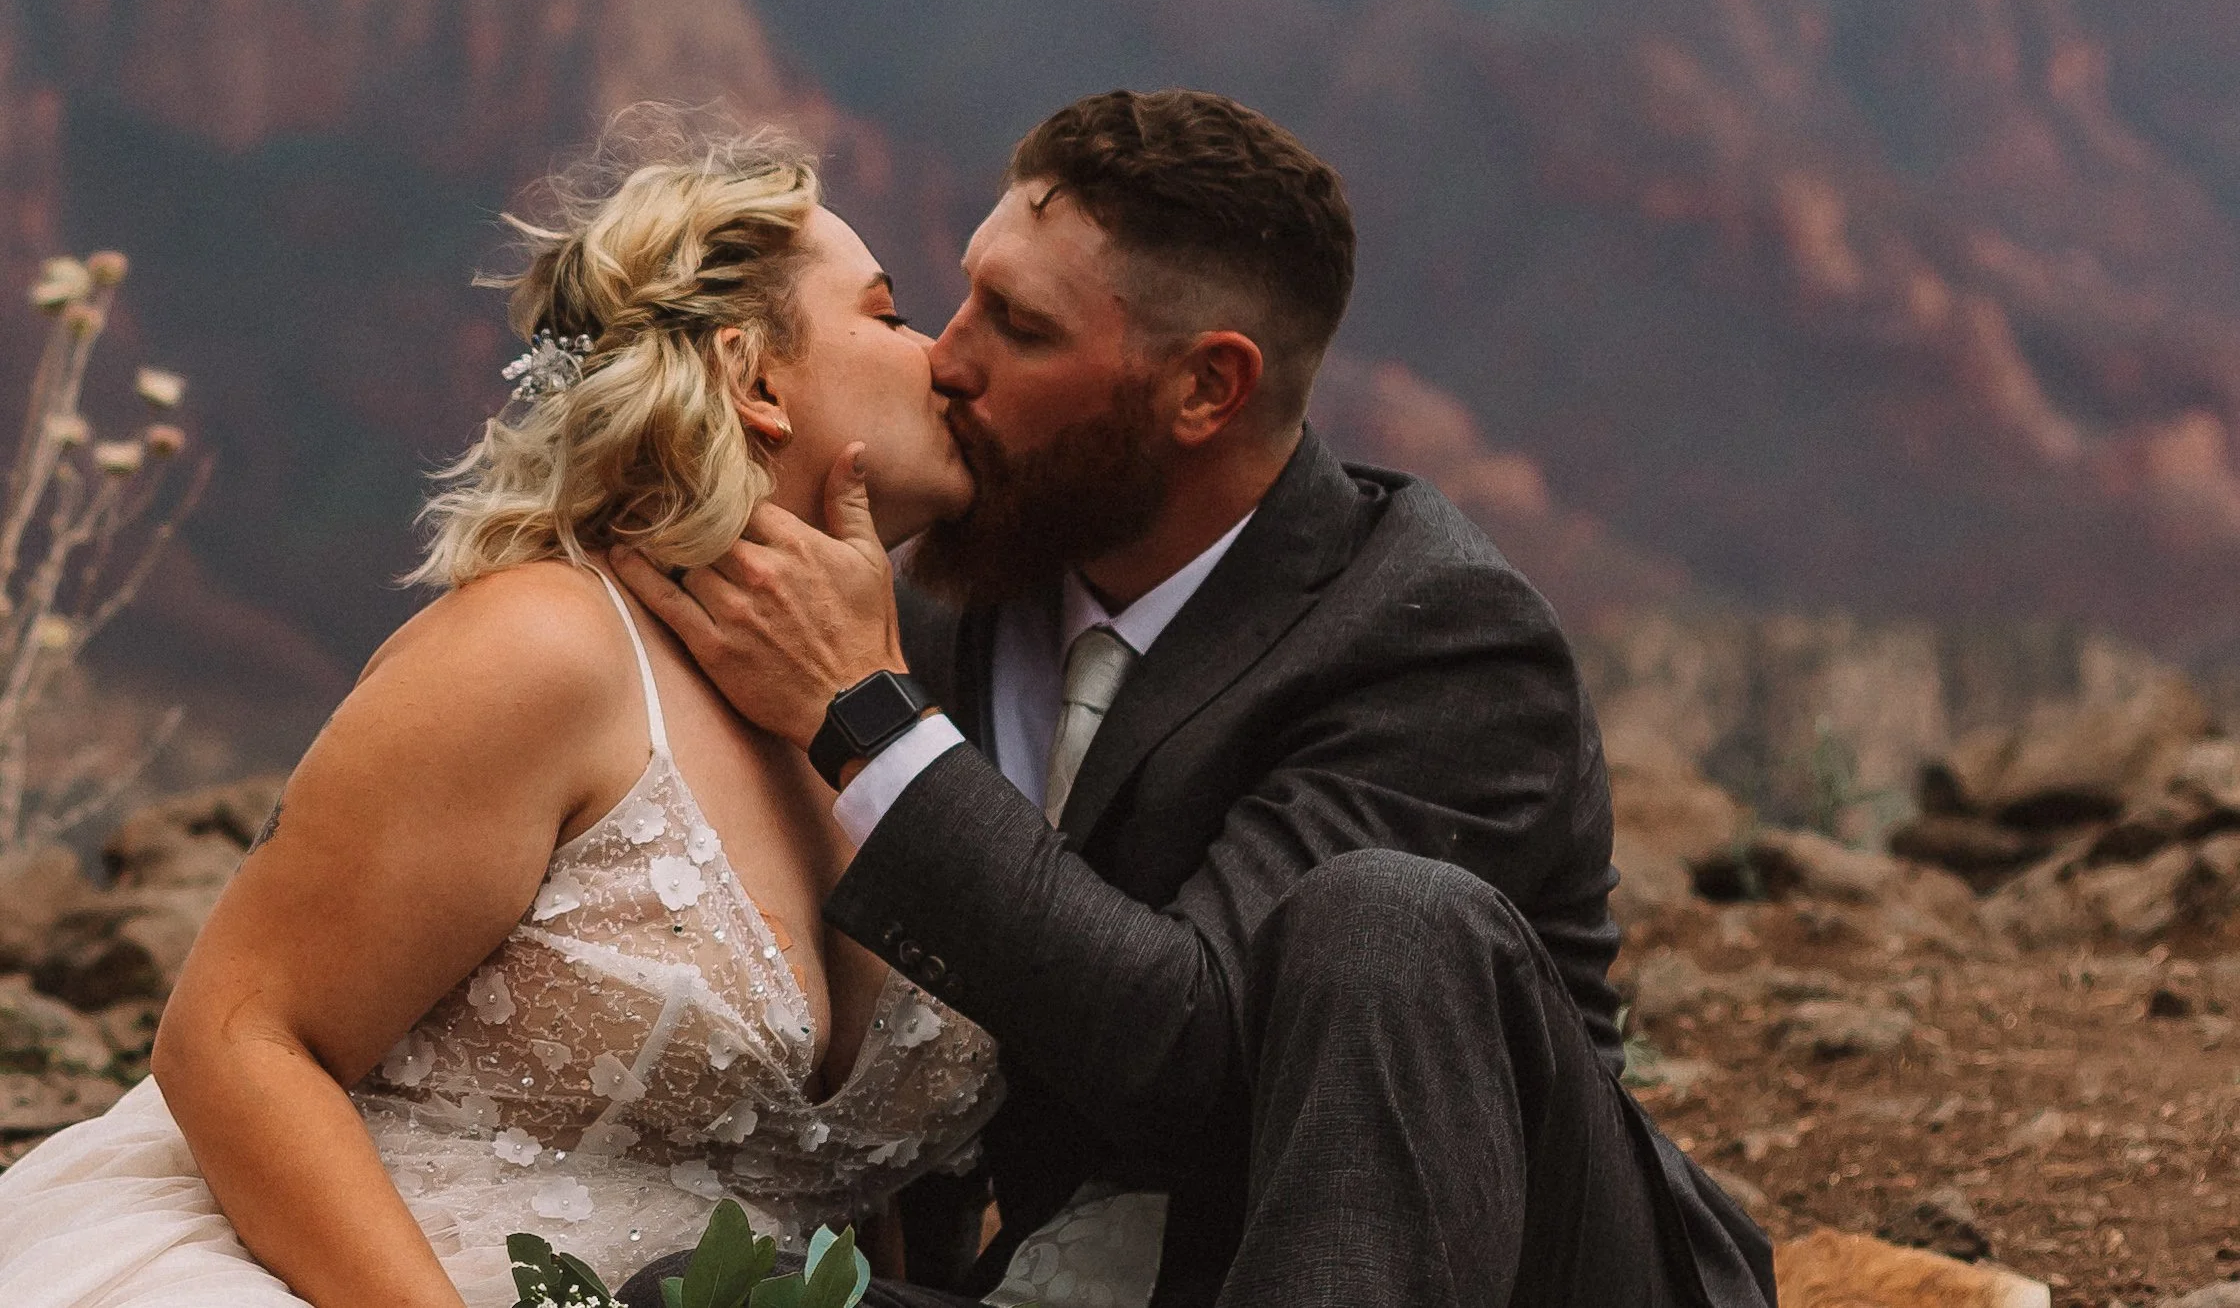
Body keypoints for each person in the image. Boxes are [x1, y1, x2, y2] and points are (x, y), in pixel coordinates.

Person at [616, 89, 1777, 1308]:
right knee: (705, 1300)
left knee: (1384, 919)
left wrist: (872, 726)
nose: (944, 359)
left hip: (1509, 1274)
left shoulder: (1439, 640)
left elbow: (1194, 1053)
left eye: (1017, 325)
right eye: (958, 295)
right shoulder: (953, 609)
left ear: (1205, 390)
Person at [0, 122, 1003, 1308]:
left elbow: (836, 1194)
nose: (938, 354)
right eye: (887, 315)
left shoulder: (889, 707)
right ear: (755, 377)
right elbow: (233, 1041)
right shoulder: (545, 646)